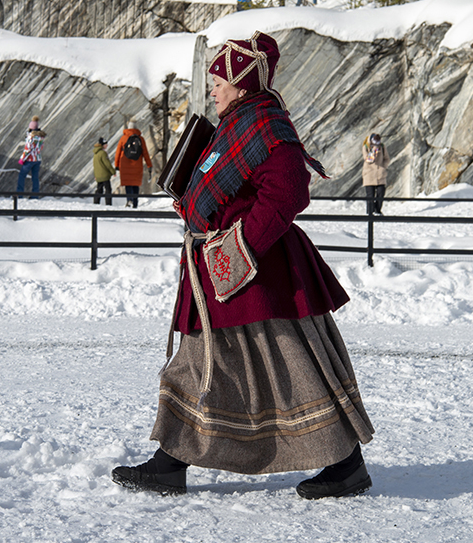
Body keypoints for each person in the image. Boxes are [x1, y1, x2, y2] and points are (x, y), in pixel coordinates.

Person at [111, 31, 374, 500]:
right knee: (205, 363)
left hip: (255, 278)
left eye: (218, 80)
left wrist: (242, 249)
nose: (212, 89)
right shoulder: (238, 122)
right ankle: (172, 462)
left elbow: (290, 192)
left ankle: (345, 464)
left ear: (242, 81)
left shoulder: (267, 126)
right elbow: (226, 185)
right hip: (225, 275)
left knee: (289, 367)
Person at [115, 121, 153, 208]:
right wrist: (149, 165)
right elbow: (145, 153)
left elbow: (117, 153)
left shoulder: (123, 138)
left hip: (125, 165)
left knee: (128, 184)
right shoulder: (140, 139)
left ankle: (129, 200)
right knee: (135, 184)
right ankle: (135, 203)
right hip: (137, 166)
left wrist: (116, 165)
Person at [16, 116, 47, 198]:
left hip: (29, 159)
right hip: (38, 159)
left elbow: (27, 149)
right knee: (35, 177)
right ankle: (35, 195)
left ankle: (19, 194)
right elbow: (41, 148)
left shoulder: (31, 137)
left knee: (22, 176)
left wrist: (22, 159)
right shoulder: (41, 137)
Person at [362, 132, 388, 215]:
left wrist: (383, 167)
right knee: (370, 195)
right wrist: (374, 150)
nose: (377, 144)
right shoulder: (366, 147)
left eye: (378, 142)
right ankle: (370, 212)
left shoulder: (382, 147)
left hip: (380, 174)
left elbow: (387, 158)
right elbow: (369, 159)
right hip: (369, 174)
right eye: (375, 142)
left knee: (381, 193)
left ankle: (377, 210)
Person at [93, 137, 116, 206]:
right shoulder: (103, 153)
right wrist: (113, 172)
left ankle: (96, 202)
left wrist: (95, 175)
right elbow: (107, 164)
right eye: (106, 144)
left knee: (99, 189)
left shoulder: (96, 153)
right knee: (108, 189)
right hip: (104, 174)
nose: (107, 145)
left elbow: (95, 165)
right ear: (103, 145)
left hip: (98, 175)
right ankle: (108, 203)